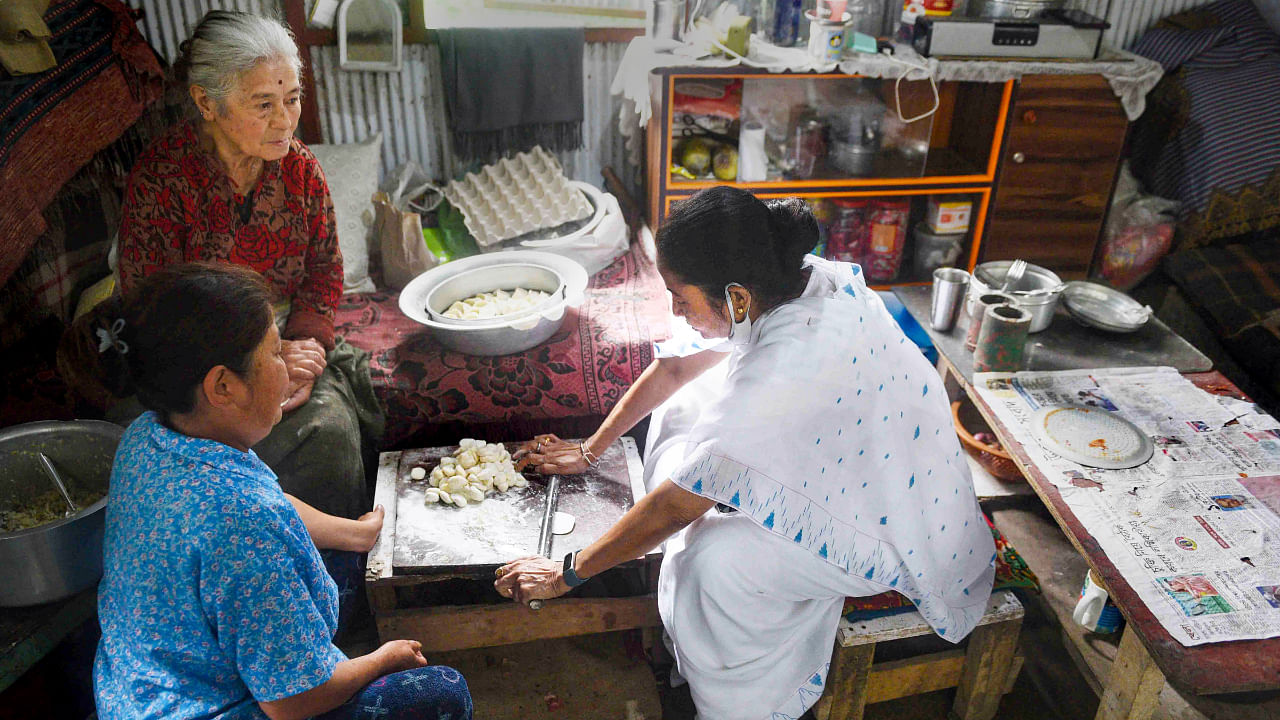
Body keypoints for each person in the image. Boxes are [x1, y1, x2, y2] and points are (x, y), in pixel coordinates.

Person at [499, 186, 996, 720]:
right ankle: (691, 633)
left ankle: (746, 705)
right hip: (872, 467)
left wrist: (567, 572)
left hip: (901, 533)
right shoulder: (790, 277)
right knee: (686, 408)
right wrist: (592, 451)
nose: (674, 312)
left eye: (681, 298)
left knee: (709, 564)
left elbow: (673, 508)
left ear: (735, 298)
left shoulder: (791, 364)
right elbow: (674, 368)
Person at [70, 262, 470, 720]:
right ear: (223, 386)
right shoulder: (241, 523)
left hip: (139, 690)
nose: (287, 367)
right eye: (276, 353)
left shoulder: (147, 437)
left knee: (340, 557)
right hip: (209, 708)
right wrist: (382, 660)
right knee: (440, 694)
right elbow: (289, 703)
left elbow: (270, 504)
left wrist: (354, 534)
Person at [109, 10, 380, 520]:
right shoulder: (162, 180)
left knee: (330, 432)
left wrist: (303, 343)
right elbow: (153, 307)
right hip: (195, 360)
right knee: (161, 453)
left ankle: (334, 582)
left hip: (279, 339)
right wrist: (257, 363)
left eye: (292, 98)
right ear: (206, 102)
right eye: (263, 104)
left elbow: (323, 269)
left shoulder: (300, 171)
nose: (285, 119)